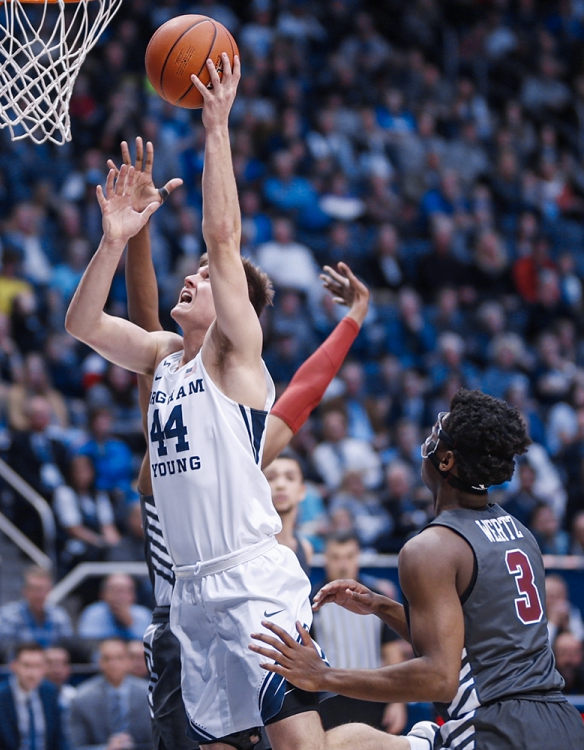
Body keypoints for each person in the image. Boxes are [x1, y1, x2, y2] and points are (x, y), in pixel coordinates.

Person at [65, 58, 329, 750]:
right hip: (191, 592)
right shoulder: (162, 357)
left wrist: (217, 127)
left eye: (208, 279)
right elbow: (82, 325)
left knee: (301, 744)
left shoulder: (234, 355)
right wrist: (112, 241)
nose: (193, 275)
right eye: (194, 273)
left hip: (253, 579)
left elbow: (223, 237)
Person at [115, 133, 370, 750]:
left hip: (242, 589)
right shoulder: (171, 376)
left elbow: (303, 395)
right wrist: (138, 228)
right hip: (179, 614)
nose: (198, 278)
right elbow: (144, 322)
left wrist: (353, 319)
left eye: (210, 278)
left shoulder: (244, 426)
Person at [252, 390, 584, 750]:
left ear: (445, 460)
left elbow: (438, 678)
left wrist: (325, 676)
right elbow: (472, 646)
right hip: (561, 722)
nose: (425, 443)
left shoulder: (430, 548)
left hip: (497, 729)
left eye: (433, 435)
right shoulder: (521, 533)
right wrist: (381, 607)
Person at [311, 533, 403, 732]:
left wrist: (397, 702)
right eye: (336, 557)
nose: (343, 564)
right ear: (325, 558)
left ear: (358, 557)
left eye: (349, 556)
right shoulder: (312, 602)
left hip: (372, 697)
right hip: (329, 702)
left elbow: (391, 650)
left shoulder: (377, 599)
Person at [0, 643, 65, 750]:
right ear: (14, 666)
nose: (32, 673)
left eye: (38, 666)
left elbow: (60, 739)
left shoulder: (50, 692)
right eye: (27, 666)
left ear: (45, 668)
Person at [68, 639, 153, 750]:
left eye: (119, 658)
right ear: (99, 662)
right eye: (107, 658)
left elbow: (159, 741)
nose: (114, 664)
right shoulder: (81, 698)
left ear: (129, 661)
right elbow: (75, 746)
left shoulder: (149, 694)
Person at [0, 568, 73, 652]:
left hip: (51, 664)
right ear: (25, 590)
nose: (39, 595)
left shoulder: (59, 615)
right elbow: (6, 651)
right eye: (34, 589)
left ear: (49, 591)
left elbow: (68, 649)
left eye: (43, 589)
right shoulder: (9, 615)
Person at [76, 575, 152, 642]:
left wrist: (129, 623)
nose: (119, 596)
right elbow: (87, 644)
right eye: (114, 590)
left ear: (133, 595)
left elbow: (148, 647)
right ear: (102, 594)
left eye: (124, 591)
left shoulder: (144, 615)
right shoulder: (92, 613)